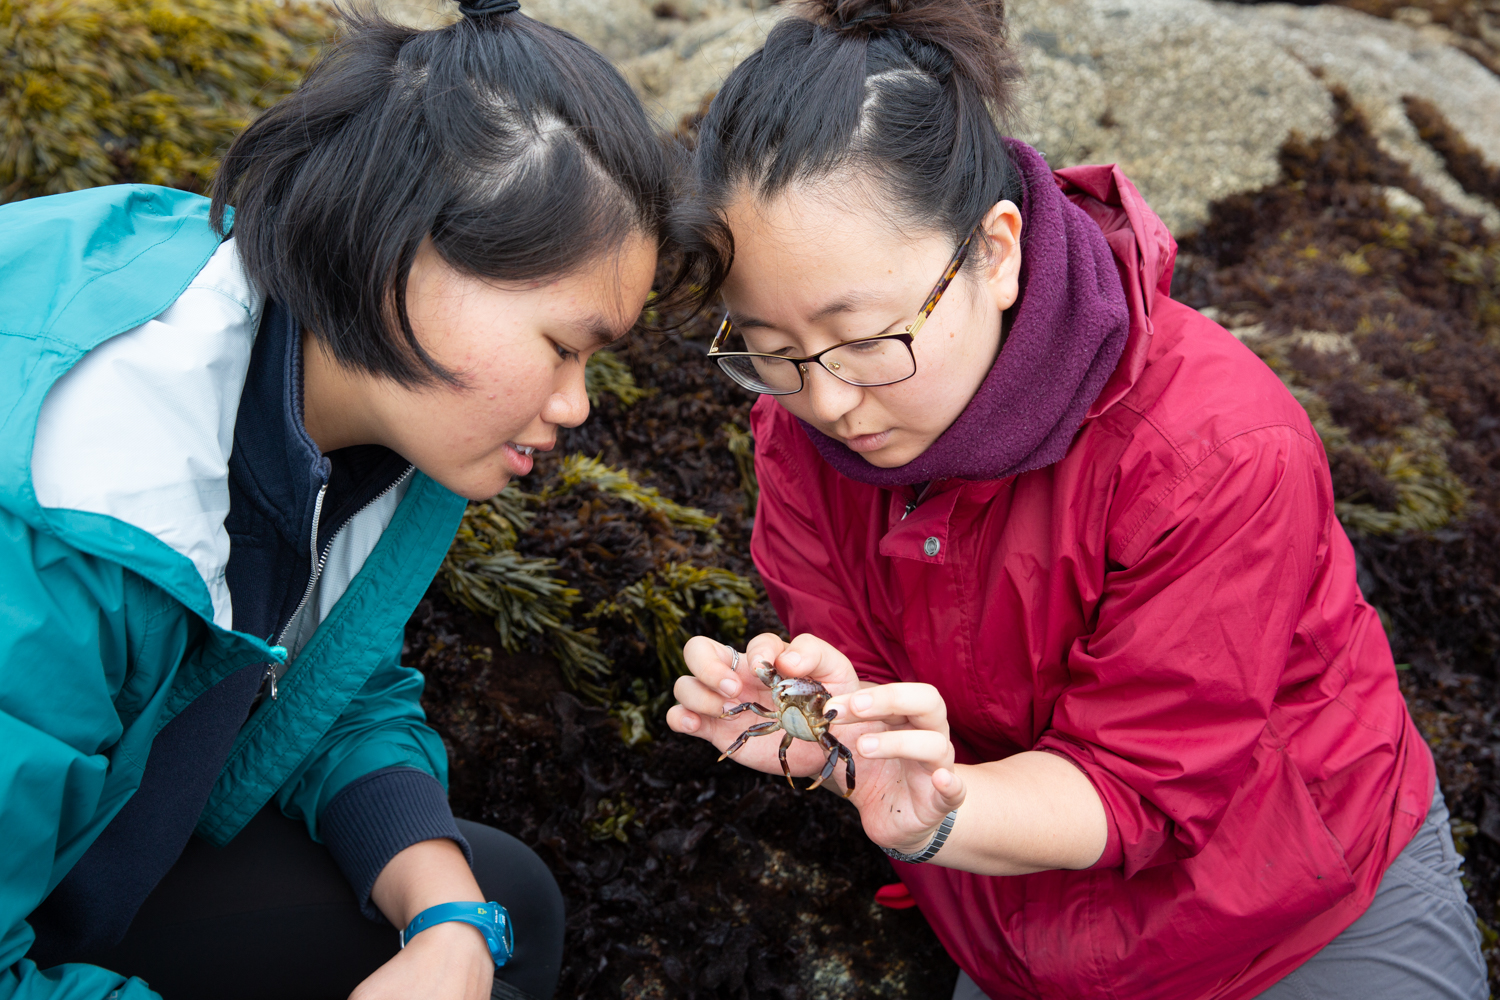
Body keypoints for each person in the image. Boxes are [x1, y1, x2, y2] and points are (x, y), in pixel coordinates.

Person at [665, 1, 1489, 997]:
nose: (830, 400)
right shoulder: (799, 430)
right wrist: (818, 719)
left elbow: (1142, 784)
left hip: (1301, 917)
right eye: (771, 348)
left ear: (996, 250)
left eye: (869, 335)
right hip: (1012, 922)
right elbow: (871, 703)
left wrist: (935, 814)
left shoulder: (1216, 448)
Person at [0, 1, 698, 997]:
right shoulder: (68, 499)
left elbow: (322, 680)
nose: (576, 404)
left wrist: (448, 916)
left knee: (506, 908)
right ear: (404, 256)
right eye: (562, 345)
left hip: (85, 861)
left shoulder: (341, 413)